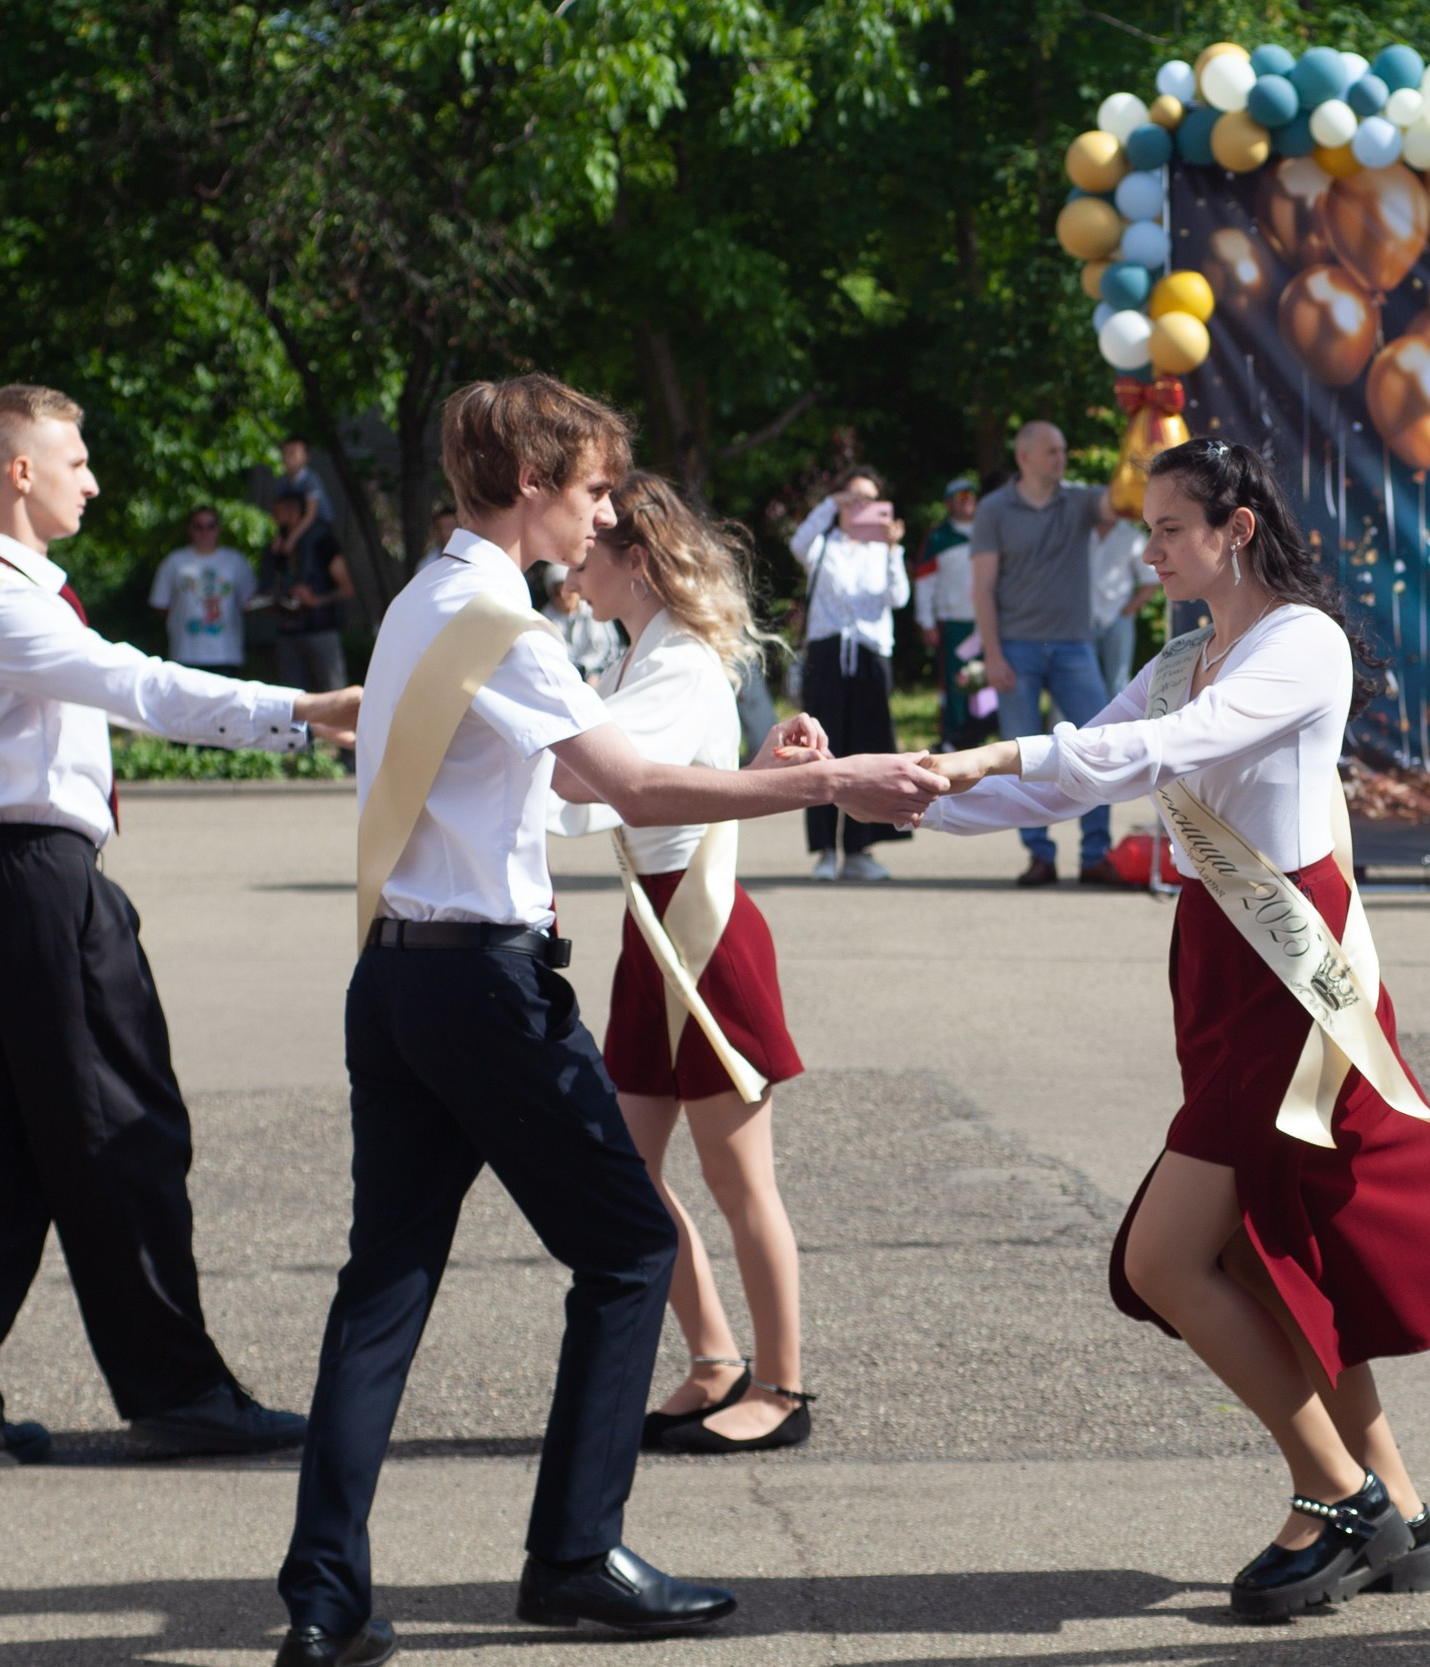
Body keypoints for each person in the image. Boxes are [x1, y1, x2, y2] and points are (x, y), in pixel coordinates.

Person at [274, 374, 944, 1666]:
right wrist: (833, 777)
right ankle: (575, 1553)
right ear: (530, 485)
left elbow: (585, 783)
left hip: (396, 974)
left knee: (385, 1282)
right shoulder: (505, 624)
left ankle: (324, 1591)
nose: (599, 515)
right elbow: (625, 782)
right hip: (481, 979)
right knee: (631, 1245)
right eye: (587, 489)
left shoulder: (423, 600)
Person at [922, 440, 1430, 1621]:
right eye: (1146, 530)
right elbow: (1065, 782)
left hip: (1288, 971)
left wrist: (987, 746)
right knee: (1264, 1243)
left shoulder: (1300, 642)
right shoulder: (1188, 651)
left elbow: (1158, 751)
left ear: (1235, 528)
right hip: (1217, 959)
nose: (1148, 552)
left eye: (1168, 530)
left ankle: (1335, 1492)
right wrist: (893, 787)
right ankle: (1394, 1501)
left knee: (1164, 1256)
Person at [0, 383, 358, 1488]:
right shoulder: (8, 605)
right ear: (17, 470)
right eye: (77, 457)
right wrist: (299, 712)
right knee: (124, 1135)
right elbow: (138, 686)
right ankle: (177, 1393)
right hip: (40, 889)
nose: (92, 476)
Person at [547, 472, 814, 1456]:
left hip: (698, 929)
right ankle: (713, 1357)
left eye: (594, 546)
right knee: (625, 1168)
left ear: (640, 562)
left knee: (738, 1178)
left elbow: (617, 782)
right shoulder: (646, 657)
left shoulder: (677, 664)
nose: (575, 558)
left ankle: (782, 1386)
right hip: (653, 928)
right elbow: (665, 782)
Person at [969, 422, 1130, 888]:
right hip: (1016, 648)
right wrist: (992, 654)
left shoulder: (1077, 499)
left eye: (1062, 450)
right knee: (1023, 755)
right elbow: (981, 587)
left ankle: (1095, 853)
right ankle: (1039, 855)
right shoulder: (994, 509)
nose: (1061, 459)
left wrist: (1145, 428)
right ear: (1025, 458)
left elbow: (1120, 500)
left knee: (1099, 746)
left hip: (1074, 644)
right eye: (1052, 451)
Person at [788, 467, 910, 882]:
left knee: (868, 750)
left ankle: (860, 849)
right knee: (821, 750)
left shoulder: (883, 550)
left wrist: (894, 551)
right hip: (826, 655)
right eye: (854, 499)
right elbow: (797, 541)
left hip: (870, 654)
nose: (862, 508)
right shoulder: (824, 545)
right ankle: (824, 849)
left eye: (870, 500)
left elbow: (898, 596)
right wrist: (830, 505)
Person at [912, 477, 988, 750]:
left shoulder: (990, 532)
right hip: (954, 624)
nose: (968, 500)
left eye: (972, 495)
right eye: (961, 496)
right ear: (948, 503)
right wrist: (926, 622)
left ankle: (981, 736)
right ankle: (954, 738)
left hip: (988, 623)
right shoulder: (938, 538)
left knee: (986, 681)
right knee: (956, 684)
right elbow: (923, 583)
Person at [262, 490, 355, 692]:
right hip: (288, 633)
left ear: (293, 511)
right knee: (292, 700)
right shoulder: (278, 544)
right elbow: (271, 583)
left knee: (334, 693)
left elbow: (347, 589)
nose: (274, 517)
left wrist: (317, 600)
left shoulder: (321, 540)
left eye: (278, 512)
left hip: (320, 631)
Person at [150, 507, 257, 676]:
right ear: (189, 529)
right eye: (198, 526)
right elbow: (161, 604)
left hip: (226, 655)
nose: (205, 532)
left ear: (218, 528)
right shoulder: (174, 561)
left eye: (211, 526)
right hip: (185, 654)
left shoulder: (235, 561)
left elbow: (249, 604)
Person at [1089, 510, 1162, 700]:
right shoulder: (1081, 532)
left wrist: (1128, 610)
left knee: (1118, 682)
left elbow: (1151, 579)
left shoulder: (1132, 536)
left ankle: (1115, 728)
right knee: (1076, 681)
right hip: (1083, 619)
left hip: (1117, 618)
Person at [538, 561, 623, 684]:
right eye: (557, 592)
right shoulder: (545, 620)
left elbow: (609, 649)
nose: (563, 596)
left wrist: (592, 672)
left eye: (567, 590)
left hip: (601, 671)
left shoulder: (593, 609)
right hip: (564, 677)